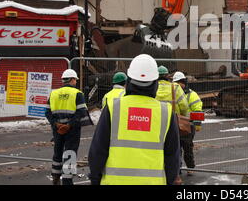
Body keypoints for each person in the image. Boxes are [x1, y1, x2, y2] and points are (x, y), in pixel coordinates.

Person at [88, 54, 181, 185]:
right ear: (155, 83)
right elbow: (173, 157)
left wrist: (95, 178)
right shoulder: (165, 112)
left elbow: (98, 150)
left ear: (129, 80)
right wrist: (170, 180)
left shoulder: (114, 107)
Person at [45, 69, 92, 185]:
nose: (76, 82)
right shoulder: (77, 93)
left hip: (57, 130)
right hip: (72, 130)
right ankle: (67, 181)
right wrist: (69, 125)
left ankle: (55, 177)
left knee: (57, 153)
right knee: (70, 153)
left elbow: (47, 112)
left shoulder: (54, 93)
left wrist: (56, 124)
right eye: (75, 80)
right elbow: (81, 112)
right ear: (72, 80)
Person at [173, 71, 203, 175]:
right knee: (176, 149)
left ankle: (191, 168)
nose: (178, 85)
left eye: (179, 82)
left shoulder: (192, 95)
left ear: (184, 83)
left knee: (187, 148)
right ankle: (178, 169)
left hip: (188, 126)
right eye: (176, 83)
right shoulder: (173, 93)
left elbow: (197, 110)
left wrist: (197, 124)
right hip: (176, 125)